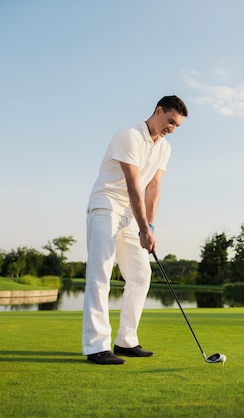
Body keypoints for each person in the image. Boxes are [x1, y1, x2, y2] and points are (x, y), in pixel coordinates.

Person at [83, 95, 188, 365]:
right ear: (158, 110)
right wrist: (144, 229)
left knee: (141, 274)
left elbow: (153, 188)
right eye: (170, 122)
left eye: (177, 126)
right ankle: (96, 346)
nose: (172, 129)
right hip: (107, 205)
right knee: (100, 275)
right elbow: (133, 186)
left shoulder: (164, 148)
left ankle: (125, 341)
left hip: (132, 214)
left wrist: (149, 227)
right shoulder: (128, 135)